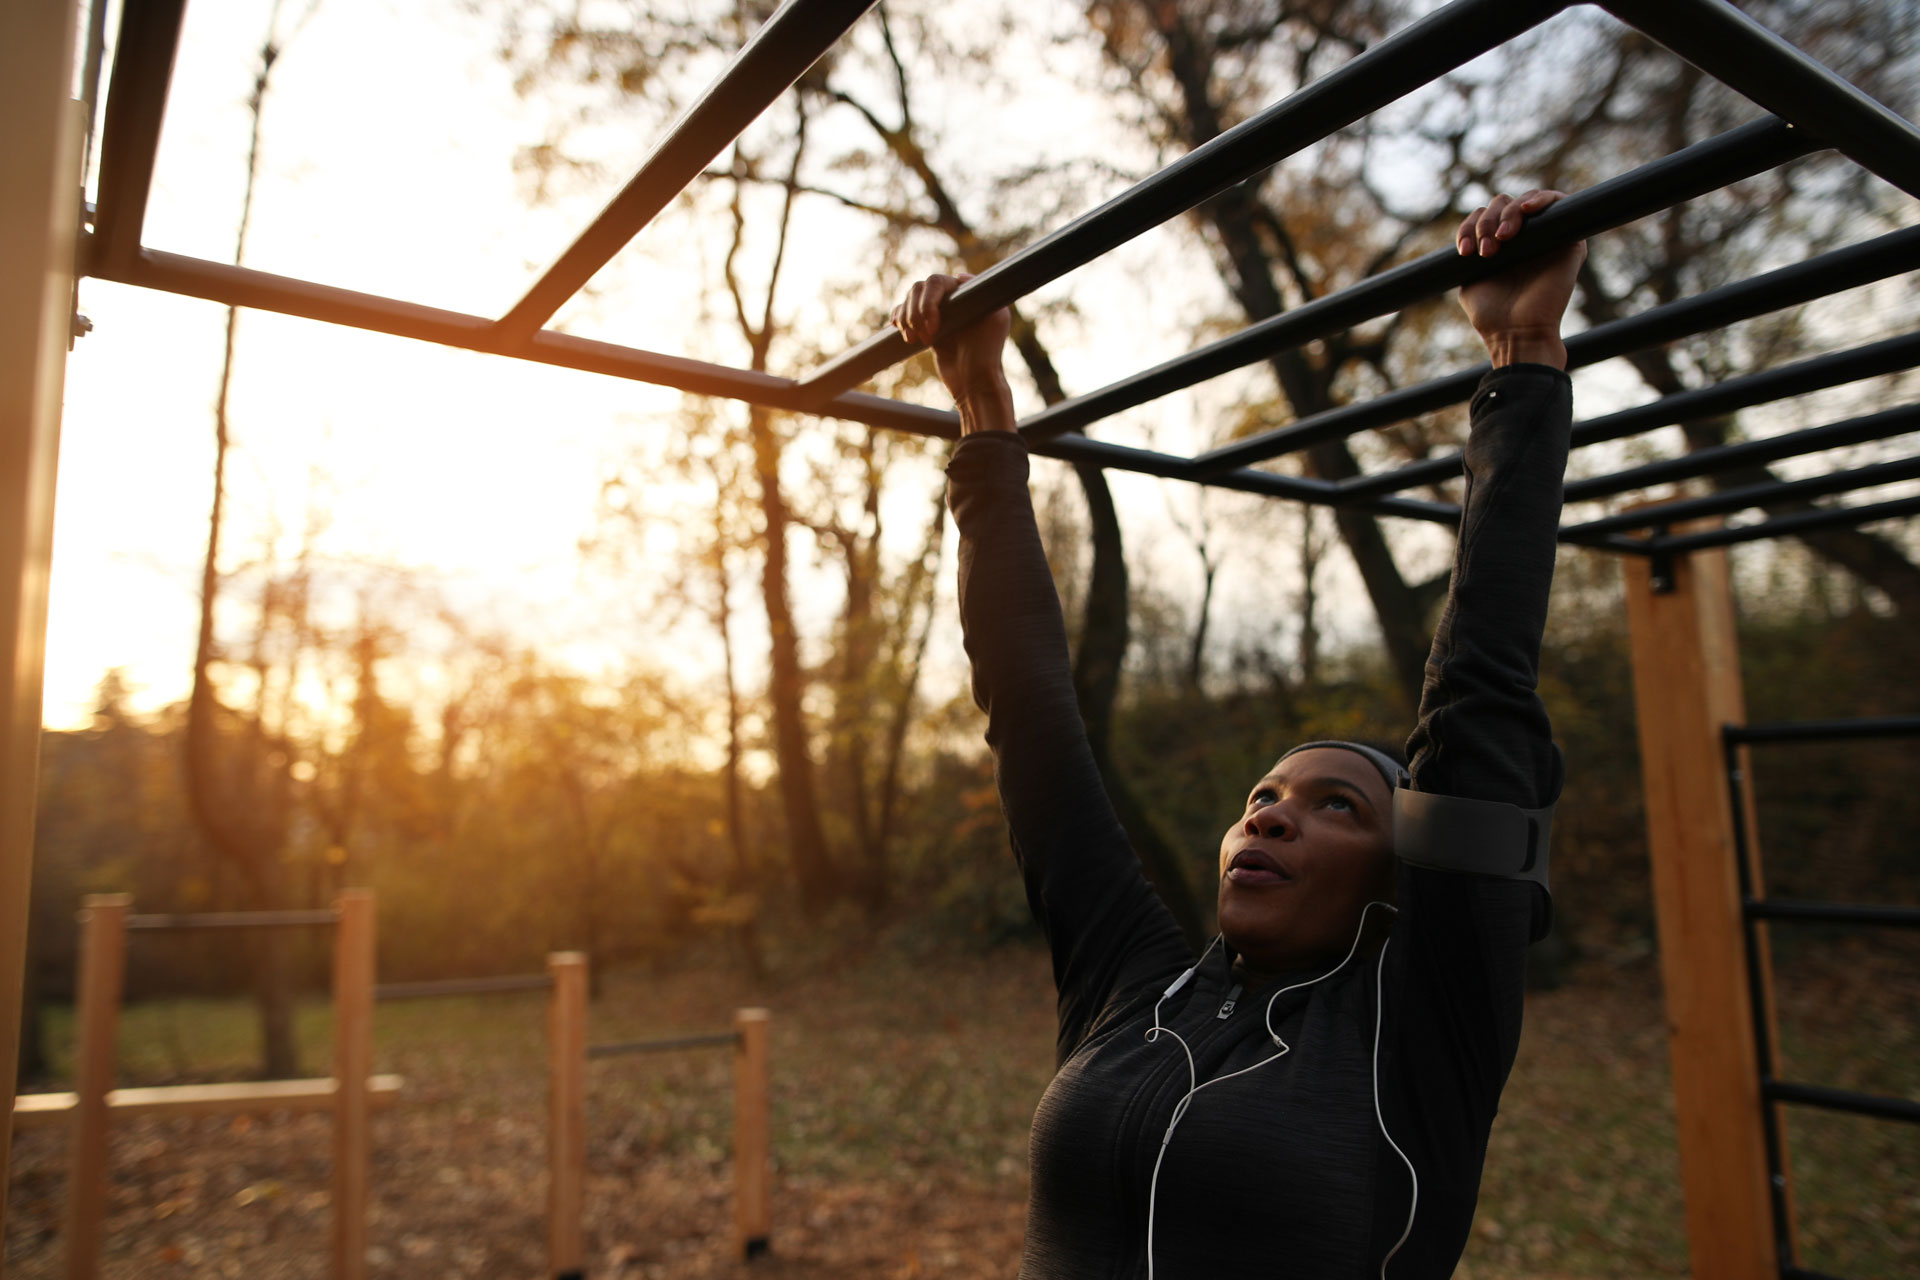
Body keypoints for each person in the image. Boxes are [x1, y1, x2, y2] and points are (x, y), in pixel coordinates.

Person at [891, 188, 1586, 1279]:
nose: (1272, 809)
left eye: (1336, 804)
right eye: (1266, 791)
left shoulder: (1415, 1037)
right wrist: (983, 413)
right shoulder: (1134, 986)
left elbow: (1480, 700)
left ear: (1400, 878)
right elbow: (1031, 721)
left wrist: (1523, 352)